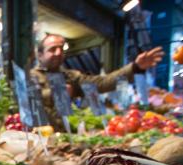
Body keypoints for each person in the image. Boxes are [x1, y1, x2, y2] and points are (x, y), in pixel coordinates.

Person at [31, 34, 164, 132]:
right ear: (40, 54)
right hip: (36, 138)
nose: (58, 53)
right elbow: (22, 101)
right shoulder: (31, 76)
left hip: (66, 137)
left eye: (61, 49)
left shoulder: (71, 76)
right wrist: (52, 94)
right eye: (52, 49)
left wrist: (134, 67)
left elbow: (103, 82)